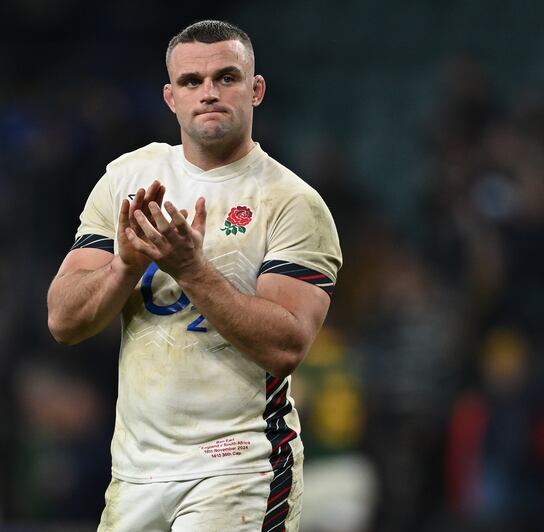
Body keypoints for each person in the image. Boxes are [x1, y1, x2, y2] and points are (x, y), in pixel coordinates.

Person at [47, 20, 342, 532]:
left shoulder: (292, 204)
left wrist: (192, 270)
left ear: (256, 89)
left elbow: (286, 345)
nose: (208, 92)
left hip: (238, 466)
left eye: (227, 77)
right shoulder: (127, 181)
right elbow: (63, 320)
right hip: (136, 474)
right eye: (191, 82)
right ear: (170, 97)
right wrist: (125, 265)